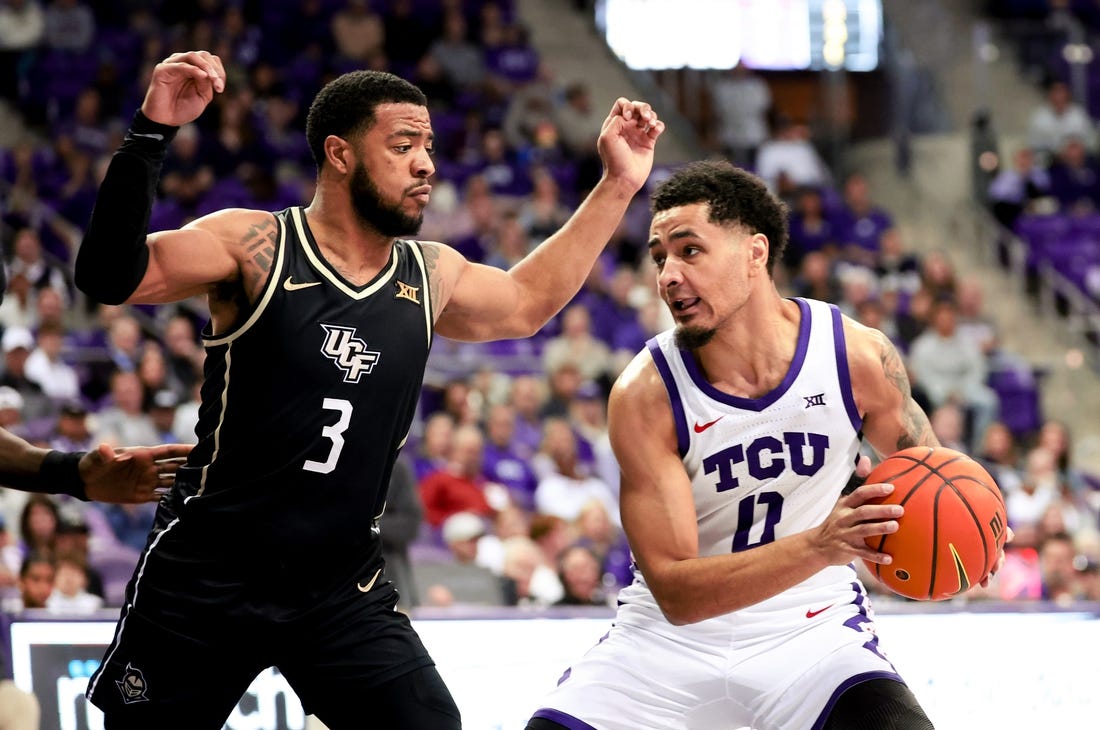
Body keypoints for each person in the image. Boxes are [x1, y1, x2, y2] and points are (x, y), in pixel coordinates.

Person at [73, 49, 662, 728]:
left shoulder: (430, 273)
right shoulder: (254, 244)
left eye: (430, 147)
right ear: (340, 154)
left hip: (338, 587)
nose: (426, 165)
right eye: (403, 144)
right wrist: (151, 129)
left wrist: (618, 184)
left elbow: (527, 302)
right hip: (209, 574)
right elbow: (108, 277)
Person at [528, 161, 1007, 730]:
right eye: (660, 258)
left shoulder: (856, 357)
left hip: (812, 633)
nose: (668, 275)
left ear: (756, 252)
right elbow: (679, 593)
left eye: (689, 251)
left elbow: (933, 474)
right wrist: (819, 545)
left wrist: (975, 530)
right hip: (664, 646)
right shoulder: (645, 393)